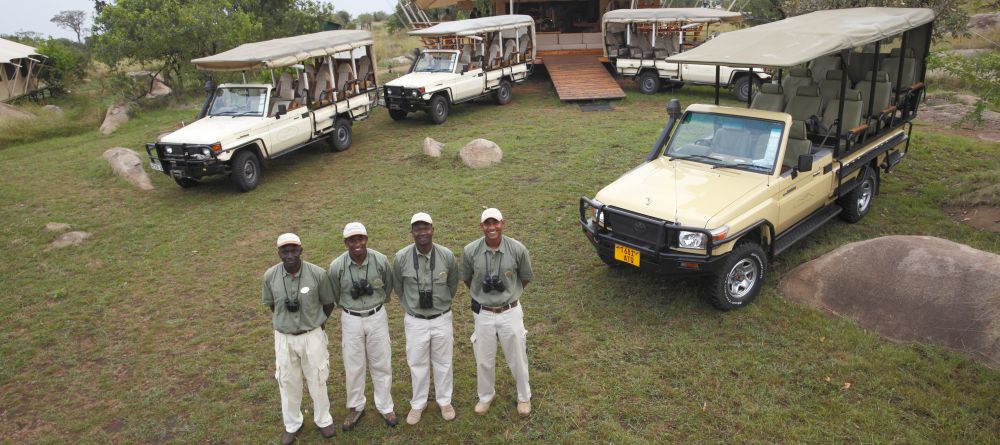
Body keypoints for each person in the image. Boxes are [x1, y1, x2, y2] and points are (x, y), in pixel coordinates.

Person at [261, 233, 337, 445]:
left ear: (301, 251)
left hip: (312, 335)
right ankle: (292, 424)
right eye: (285, 251)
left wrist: (318, 323)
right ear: (279, 253)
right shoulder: (270, 276)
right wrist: (286, 324)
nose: (290, 255)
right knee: (286, 381)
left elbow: (328, 302)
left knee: (318, 378)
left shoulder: (317, 274)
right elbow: (272, 306)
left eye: (294, 250)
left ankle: (323, 419)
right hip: (284, 338)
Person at [460, 208, 534, 417]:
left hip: (510, 311)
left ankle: (524, 397)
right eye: (487, 224)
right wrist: (484, 298)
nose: (491, 227)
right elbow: (467, 278)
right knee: (483, 357)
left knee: (517, 356)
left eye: (495, 223)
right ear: (481, 226)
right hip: (483, 312)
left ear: (503, 223)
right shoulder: (470, 251)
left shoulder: (517, 249)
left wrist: (509, 294)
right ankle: (485, 396)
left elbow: (525, 277)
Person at [327, 222, 398, 430]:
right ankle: (356, 406)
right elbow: (335, 293)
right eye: (351, 240)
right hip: (351, 318)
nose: (356, 243)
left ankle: (385, 405)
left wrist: (376, 304)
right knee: (353, 364)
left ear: (366, 239)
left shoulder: (380, 260)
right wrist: (351, 309)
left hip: (376, 315)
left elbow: (388, 286)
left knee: (381, 361)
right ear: (345, 242)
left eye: (360, 238)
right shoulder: (337, 266)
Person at [392, 212, 460, 425]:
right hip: (415, 320)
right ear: (411, 232)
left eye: (426, 227)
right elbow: (398, 288)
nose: (422, 232)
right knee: (417, 363)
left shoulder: (446, 255)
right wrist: (412, 306)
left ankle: (444, 401)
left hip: (441, 318)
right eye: (417, 228)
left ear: (433, 229)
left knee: (443, 362)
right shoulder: (401, 257)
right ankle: (418, 404)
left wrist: (442, 303)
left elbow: (453, 285)